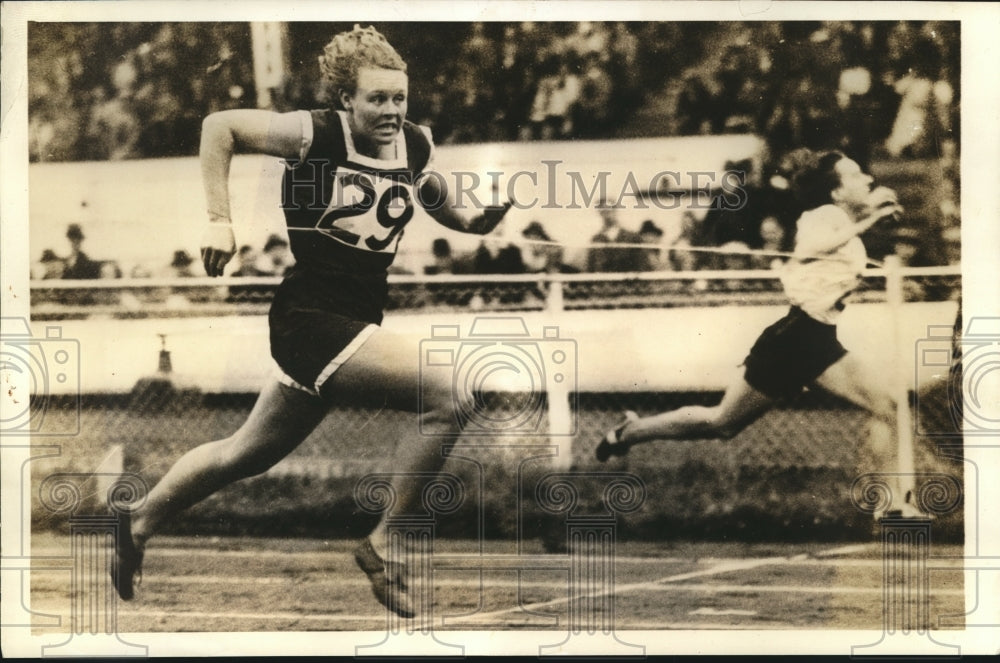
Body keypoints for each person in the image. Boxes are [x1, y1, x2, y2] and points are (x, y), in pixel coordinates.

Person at [110, 26, 512, 618]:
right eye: (377, 99)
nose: (392, 111)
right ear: (347, 100)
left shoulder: (415, 145)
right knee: (450, 392)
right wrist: (219, 221)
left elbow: (427, 193)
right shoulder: (315, 132)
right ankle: (386, 543)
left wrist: (475, 225)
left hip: (350, 326)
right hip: (309, 321)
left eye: (399, 98)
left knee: (244, 453)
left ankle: (137, 523)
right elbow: (219, 126)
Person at [595, 149, 922, 519]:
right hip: (793, 341)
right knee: (720, 424)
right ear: (835, 192)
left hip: (818, 339)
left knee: (889, 407)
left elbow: (849, 225)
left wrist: (874, 207)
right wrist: (871, 216)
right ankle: (632, 431)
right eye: (857, 175)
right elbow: (810, 248)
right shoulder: (820, 217)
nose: (867, 179)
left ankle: (891, 504)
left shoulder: (839, 217)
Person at [586, 200, 643, 273]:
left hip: (627, 282)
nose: (607, 215)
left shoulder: (632, 237)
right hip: (604, 282)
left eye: (609, 211)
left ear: (615, 211)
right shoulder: (596, 239)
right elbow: (591, 267)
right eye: (603, 212)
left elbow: (641, 264)